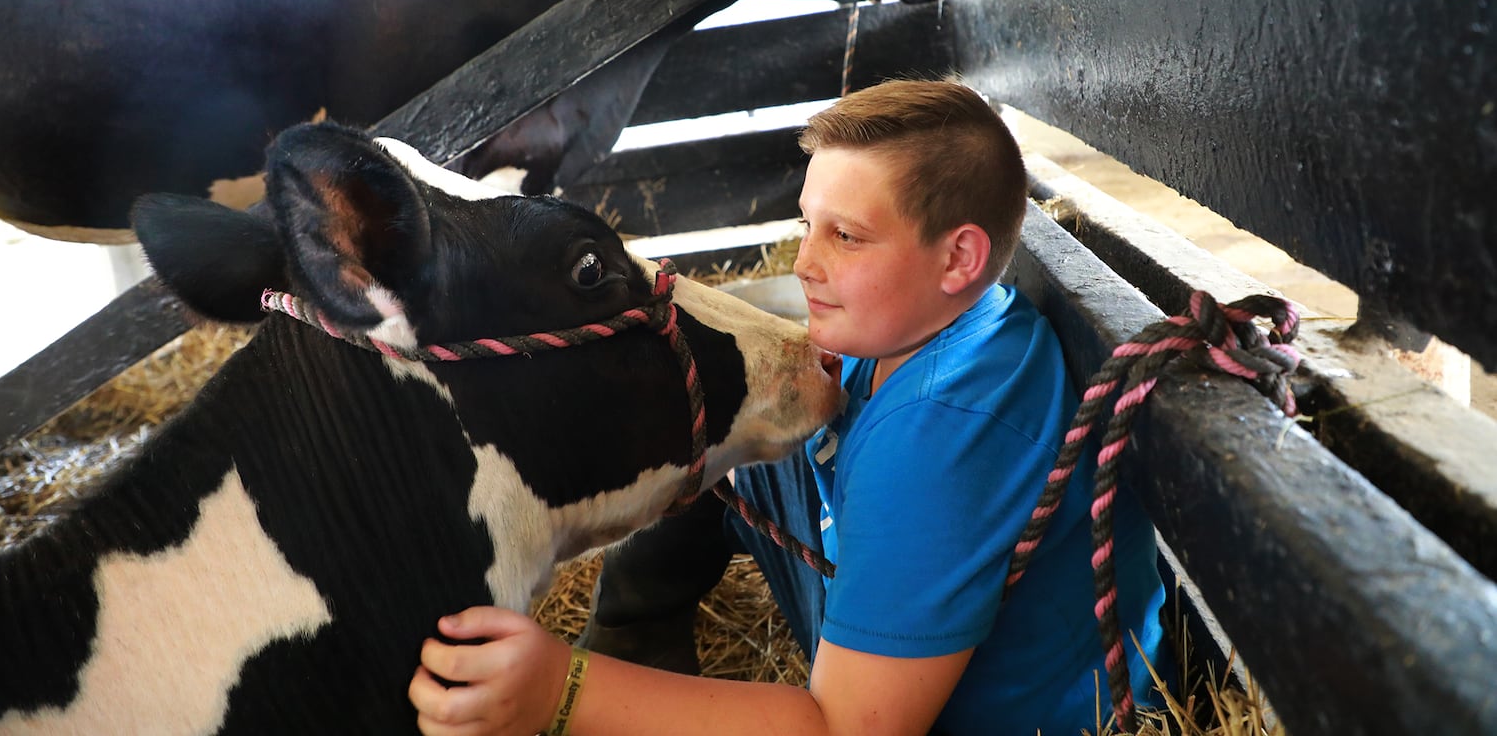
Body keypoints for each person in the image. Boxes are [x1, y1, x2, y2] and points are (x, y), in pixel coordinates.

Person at [408, 78, 1170, 736]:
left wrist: (560, 690)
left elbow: (844, 729)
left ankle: (621, 660)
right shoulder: (928, 327)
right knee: (721, 402)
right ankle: (637, 634)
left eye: (847, 235)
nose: (805, 261)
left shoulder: (938, 436)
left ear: (959, 258)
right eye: (809, 223)